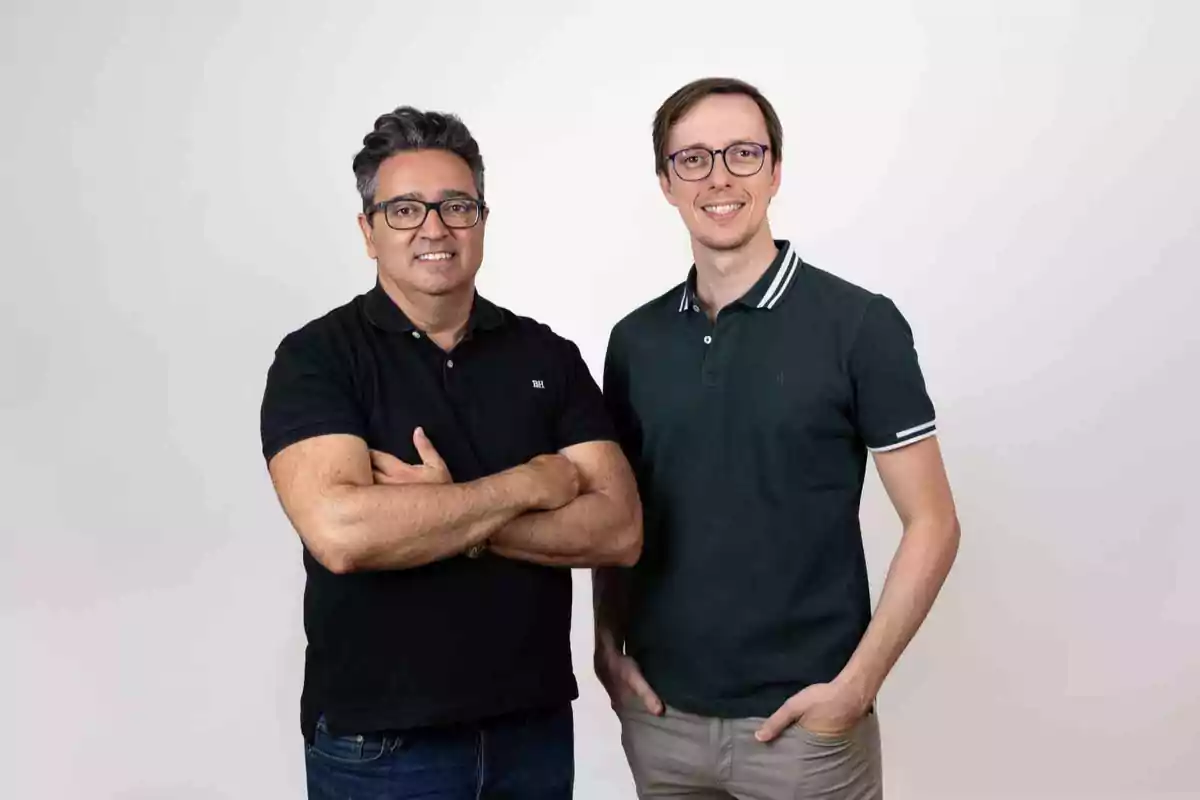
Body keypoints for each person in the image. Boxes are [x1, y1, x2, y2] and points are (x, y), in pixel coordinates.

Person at [260, 105, 642, 799]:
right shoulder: (318, 358)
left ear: (483, 221)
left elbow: (618, 529)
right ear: (367, 231)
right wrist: (530, 481)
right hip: (382, 745)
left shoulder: (546, 356)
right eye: (404, 209)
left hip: (532, 732)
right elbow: (341, 533)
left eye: (456, 205)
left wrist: (445, 516)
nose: (434, 228)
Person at [595, 77, 961, 799]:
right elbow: (618, 513)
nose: (720, 177)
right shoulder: (634, 341)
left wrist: (855, 687)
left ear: (776, 170)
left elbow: (935, 522)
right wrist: (607, 648)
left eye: (743, 153)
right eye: (693, 158)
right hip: (663, 721)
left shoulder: (859, 324)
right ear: (666, 182)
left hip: (805, 730)